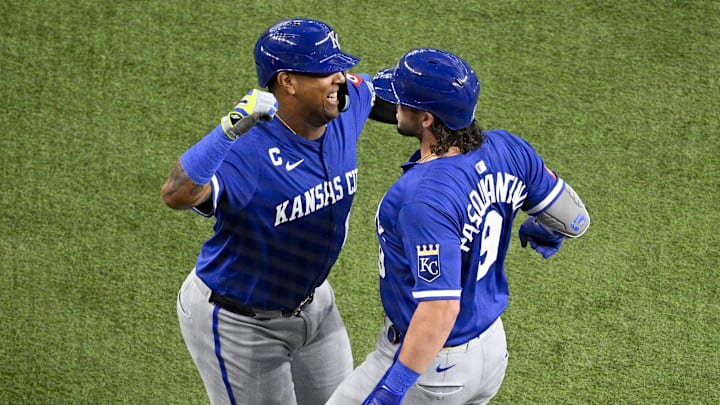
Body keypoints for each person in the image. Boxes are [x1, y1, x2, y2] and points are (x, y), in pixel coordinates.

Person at [326, 49, 590, 405]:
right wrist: (548, 228)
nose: (396, 106)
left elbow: (440, 309)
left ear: (426, 119)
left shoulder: (421, 198)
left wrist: (391, 390)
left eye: (403, 101)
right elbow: (574, 219)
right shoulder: (510, 149)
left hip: (431, 365)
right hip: (491, 353)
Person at [160, 18, 393, 405]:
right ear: (287, 81)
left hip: (315, 306)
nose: (340, 77)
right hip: (240, 322)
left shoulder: (344, 109)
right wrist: (228, 129)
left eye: (340, 66)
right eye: (325, 69)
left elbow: (393, 96)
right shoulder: (249, 151)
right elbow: (176, 193)